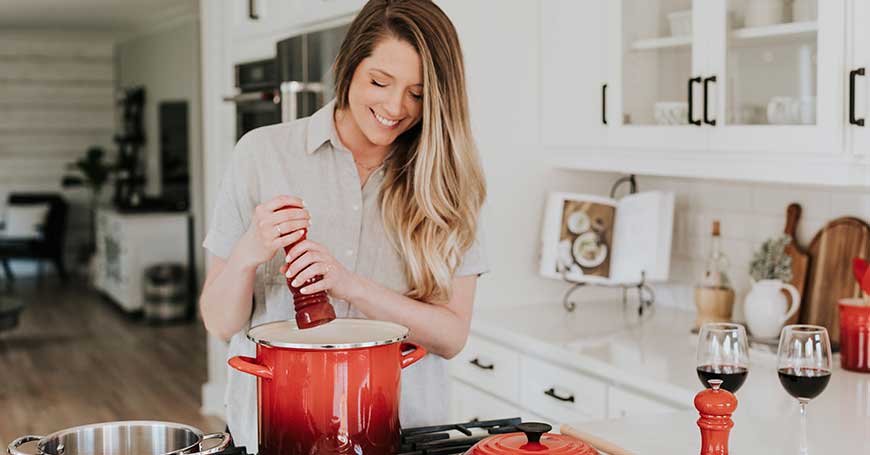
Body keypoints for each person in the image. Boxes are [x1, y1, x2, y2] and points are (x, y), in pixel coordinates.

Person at [199, 0, 488, 449]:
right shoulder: (261, 154)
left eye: (417, 93)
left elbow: (451, 337)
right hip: (275, 432)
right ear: (348, 66)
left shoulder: (448, 181)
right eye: (379, 81)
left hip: (401, 435)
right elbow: (218, 322)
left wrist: (348, 285)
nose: (395, 106)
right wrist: (248, 253)